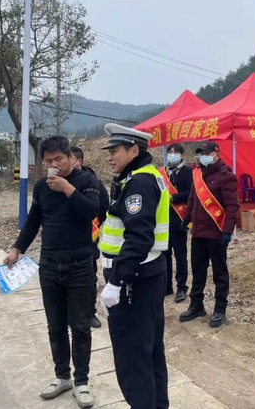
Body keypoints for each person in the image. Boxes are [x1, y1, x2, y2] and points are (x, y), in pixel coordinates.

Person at [3, 136, 99, 408]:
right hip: (49, 265)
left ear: (70, 158)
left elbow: (92, 211)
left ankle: (82, 381)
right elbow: (33, 222)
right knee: (55, 325)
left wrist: (68, 188)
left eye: (59, 159)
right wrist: (16, 249)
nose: (54, 165)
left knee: (80, 326)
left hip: (80, 265)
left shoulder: (87, 181)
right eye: (48, 161)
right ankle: (62, 376)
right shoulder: (42, 187)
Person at [99, 123, 170, 409]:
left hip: (134, 280)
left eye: (115, 151)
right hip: (147, 274)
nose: (110, 157)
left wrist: (116, 282)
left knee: (132, 356)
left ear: (134, 151)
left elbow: (138, 237)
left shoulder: (139, 182)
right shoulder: (147, 176)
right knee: (149, 351)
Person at [179, 141, 239, 328]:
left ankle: (220, 308)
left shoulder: (226, 177)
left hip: (216, 233)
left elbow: (232, 207)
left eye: (206, 153)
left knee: (219, 273)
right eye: (201, 153)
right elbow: (192, 199)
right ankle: (196, 305)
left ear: (216, 154)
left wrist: (227, 231)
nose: (203, 156)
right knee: (198, 270)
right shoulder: (197, 174)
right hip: (198, 231)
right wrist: (186, 218)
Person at [70, 146, 109, 330]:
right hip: (67, 239)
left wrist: (94, 225)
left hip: (89, 237)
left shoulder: (94, 182)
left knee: (89, 277)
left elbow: (104, 207)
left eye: (70, 158)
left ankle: (90, 312)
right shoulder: (60, 182)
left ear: (79, 161)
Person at [159, 143, 193, 303]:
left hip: (179, 219)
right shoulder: (161, 172)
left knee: (180, 255)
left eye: (175, 152)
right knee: (164, 255)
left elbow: (190, 193)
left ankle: (181, 287)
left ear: (181, 155)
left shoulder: (188, 172)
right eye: (170, 151)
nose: (172, 154)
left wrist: (173, 197)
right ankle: (167, 286)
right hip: (163, 219)